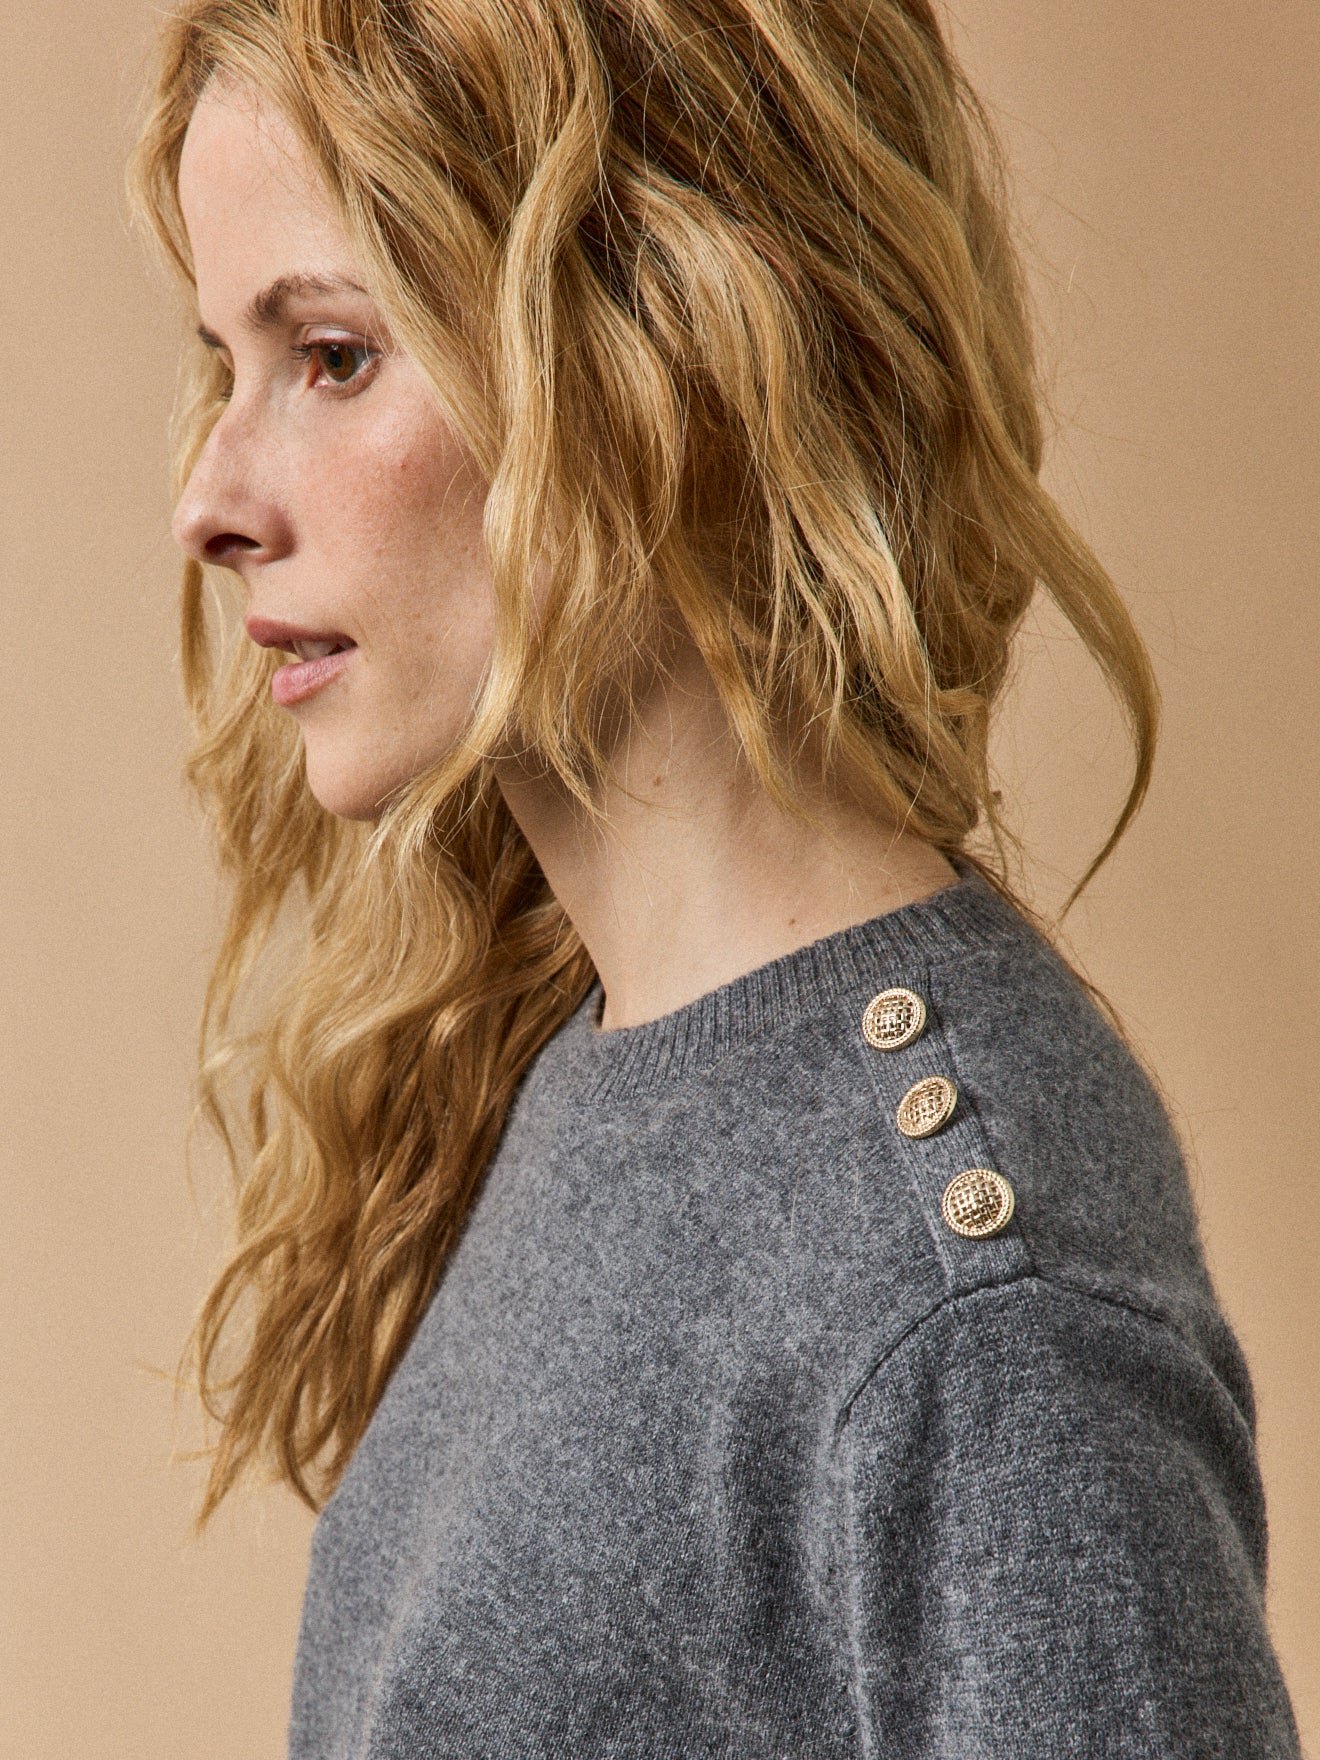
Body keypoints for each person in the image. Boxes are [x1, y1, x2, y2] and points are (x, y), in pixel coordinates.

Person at [125, 1, 1302, 1754]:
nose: (210, 501)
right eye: (228, 362)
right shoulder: (590, 1061)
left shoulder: (976, 1302)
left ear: (668, 348)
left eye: (336, 355)